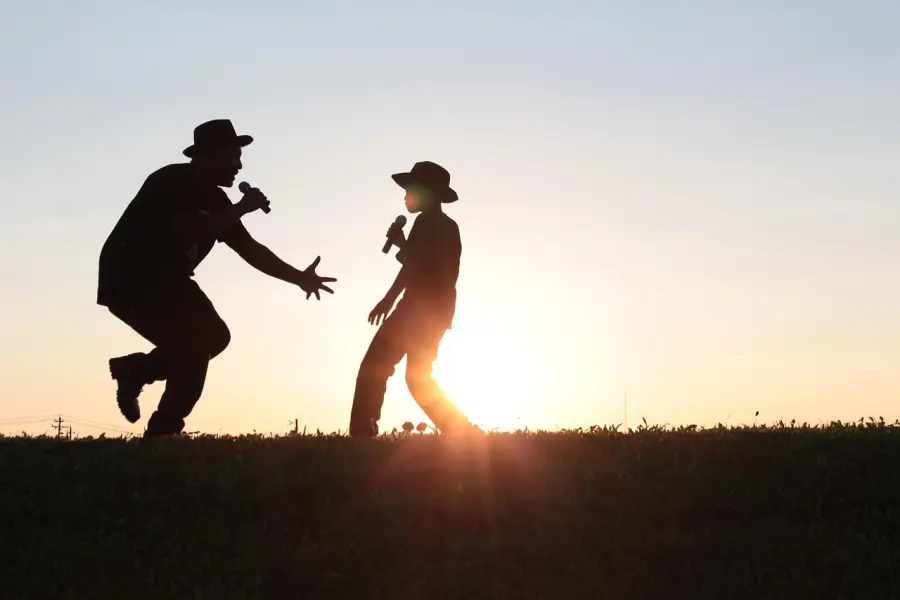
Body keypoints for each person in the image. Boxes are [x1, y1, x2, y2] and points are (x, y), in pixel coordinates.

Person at [96, 118, 337, 437]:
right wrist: (241, 208)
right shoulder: (171, 180)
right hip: (131, 279)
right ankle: (161, 432)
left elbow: (250, 249)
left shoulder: (217, 201)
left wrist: (299, 278)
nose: (238, 165)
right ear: (206, 156)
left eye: (240, 158)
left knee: (213, 339)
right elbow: (191, 227)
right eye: (231, 157)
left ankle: (137, 371)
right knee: (195, 347)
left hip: (169, 281)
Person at [349, 160, 478, 437]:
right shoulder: (443, 225)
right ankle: (463, 431)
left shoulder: (427, 223)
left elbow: (414, 268)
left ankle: (362, 432)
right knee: (417, 378)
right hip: (438, 313)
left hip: (417, 311)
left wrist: (388, 300)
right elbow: (422, 263)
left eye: (410, 190)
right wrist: (402, 244)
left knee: (375, 366)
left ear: (428, 192)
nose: (405, 196)